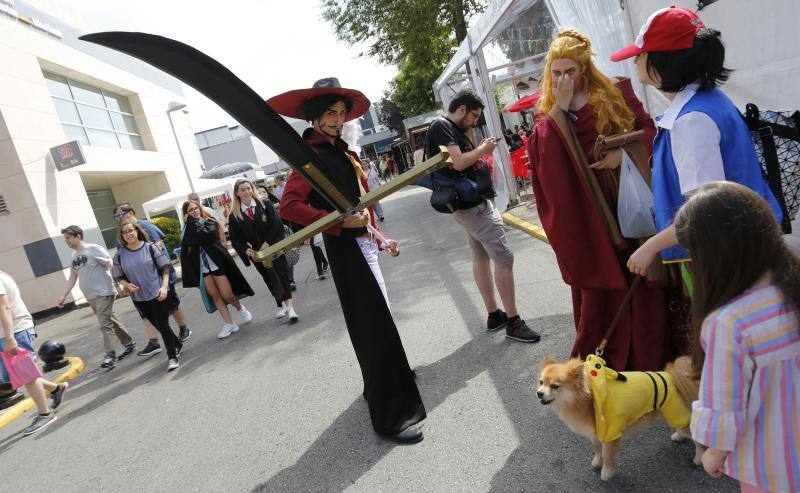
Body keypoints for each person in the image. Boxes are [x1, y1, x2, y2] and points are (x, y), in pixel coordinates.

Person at [271, 77, 426, 443]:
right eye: (330, 113)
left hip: (364, 242)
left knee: (379, 320)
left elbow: (360, 199)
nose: (338, 119)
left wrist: (378, 234)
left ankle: (387, 381)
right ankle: (389, 416)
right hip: (345, 248)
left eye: (341, 113)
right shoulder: (309, 156)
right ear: (314, 117)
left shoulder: (340, 150)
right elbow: (289, 206)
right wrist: (339, 223)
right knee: (372, 324)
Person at [525, 29, 686, 371]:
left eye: (570, 71)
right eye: (556, 73)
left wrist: (622, 155)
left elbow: (649, 131)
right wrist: (562, 109)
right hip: (587, 214)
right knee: (601, 286)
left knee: (640, 273)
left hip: (625, 199)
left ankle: (650, 357)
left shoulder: (616, 90)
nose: (563, 79)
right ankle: (605, 362)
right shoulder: (549, 112)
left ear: (585, 68)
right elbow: (542, 159)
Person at [610, 6, 782, 280]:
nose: (636, 61)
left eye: (641, 54)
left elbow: (705, 211)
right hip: (748, 242)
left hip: (727, 258)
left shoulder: (691, 121)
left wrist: (650, 247)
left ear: (665, 60)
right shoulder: (712, 100)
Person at [673, 182, 799, 493]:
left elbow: (724, 406)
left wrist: (714, 453)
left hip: (771, 465)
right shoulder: (792, 291)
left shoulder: (730, 323)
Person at [425, 89, 540, 343]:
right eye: (473, 115)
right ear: (462, 109)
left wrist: (475, 146)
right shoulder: (442, 126)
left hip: (468, 203)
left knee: (481, 256)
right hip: (472, 205)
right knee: (504, 257)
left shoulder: (449, 128)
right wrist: (483, 149)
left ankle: (494, 314)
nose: (475, 121)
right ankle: (513, 321)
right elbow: (458, 163)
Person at [114, 203, 191, 356]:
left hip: (160, 278)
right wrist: (124, 282)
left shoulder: (144, 225)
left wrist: (145, 257)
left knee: (172, 306)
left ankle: (183, 329)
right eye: (116, 217)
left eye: (119, 215)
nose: (118, 219)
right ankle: (154, 342)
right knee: (147, 315)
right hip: (138, 285)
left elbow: (159, 244)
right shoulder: (121, 236)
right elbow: (121, 260)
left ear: (129, 212)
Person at [57, 225, 136, 369]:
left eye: (68, 238)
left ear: (78, 236)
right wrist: (64, 295)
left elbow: (111, 265)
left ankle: (109, 356)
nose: (66, 241)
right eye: (65, 239)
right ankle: (129, 343)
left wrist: (119, 284)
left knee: (104, 324)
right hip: (90, 296)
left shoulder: (94, 249)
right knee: (111, 320)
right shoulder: (74, 256)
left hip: (104, 292)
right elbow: (73, 277)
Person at [1, 271, 68, 436]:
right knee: (22, 374)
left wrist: (10, 338)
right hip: (9, 333)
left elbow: (4, 307)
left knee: (27, 374)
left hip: (15, 332)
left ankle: (45, 414)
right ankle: (55, 389)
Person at [227, 179, 298, 322]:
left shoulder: (265, 204)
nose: (247, 192)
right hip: (257, 254)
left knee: (282, 275)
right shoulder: (234, 215)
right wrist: (245, 249)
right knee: (270, 278)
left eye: (249, 188)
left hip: (275, 247)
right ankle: (282, 304)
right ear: (237, 193)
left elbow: (277, 225)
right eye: (243, 190)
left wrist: (268, 242)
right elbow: (235, 239)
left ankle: (290, 309)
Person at [181, 201, 254, 339]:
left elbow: (202, 236)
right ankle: (229, 324)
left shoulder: (209, 222)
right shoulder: (187, 229)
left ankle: (240, 308)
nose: (194, 211)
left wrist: (191, 223)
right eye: (190, 210)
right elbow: (188, 244)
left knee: (227, 294)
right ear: (186, 214)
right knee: (215, 296)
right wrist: (190, 226)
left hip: (217, 262)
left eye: (196, 208)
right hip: (203, 266)